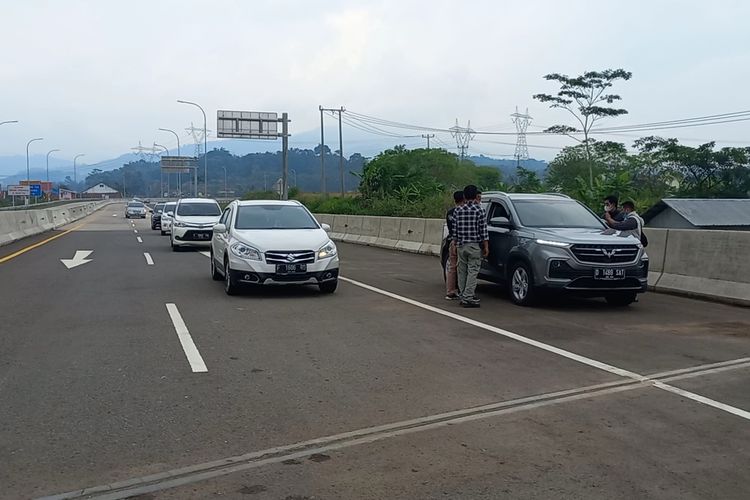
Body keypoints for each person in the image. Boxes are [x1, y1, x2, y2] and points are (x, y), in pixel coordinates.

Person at [452, 185, 489, 308]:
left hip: (461, 245)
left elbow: (455, 230)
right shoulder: (479, 210)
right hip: (474, 246)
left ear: (464, 196)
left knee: (462, 271)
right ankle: (468, 297)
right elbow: (483, 231)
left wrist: (454, 243)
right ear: (475, 196)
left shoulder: (458, 210)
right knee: (473, 271)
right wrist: (486, 247)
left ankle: (463, 295)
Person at [445, 190, 465, 300]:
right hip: (461, 242)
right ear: (464, 199)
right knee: (462, 267)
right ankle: (463, 292)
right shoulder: (462, 211)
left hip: (452, 241)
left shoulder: (450, 212)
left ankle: (450, 291)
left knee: (452, 267)